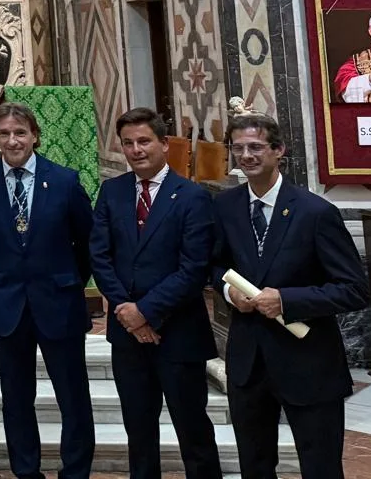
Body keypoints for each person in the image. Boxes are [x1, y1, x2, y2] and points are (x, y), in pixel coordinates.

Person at [213, 113, 370, 479]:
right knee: (255, 466)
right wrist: (226, 289)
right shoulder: (225, 207)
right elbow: (215, 263)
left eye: (255, 147)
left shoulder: (316, 213)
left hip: (307, 363)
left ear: (278, 149)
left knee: (321, 468)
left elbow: (353, 289)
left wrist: (286, 300)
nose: (246, 156)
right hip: (248, 363)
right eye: (238, 149)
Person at [88, 109, 220, 479]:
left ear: (164, 144)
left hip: (178, 332)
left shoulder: (192, 196)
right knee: (139, 429)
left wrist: (145, 312)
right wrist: (128, 313)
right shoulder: (112, 191)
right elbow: (99, 255)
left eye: (144, 141)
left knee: (192, 427)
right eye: (128, 143)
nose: (136, 150)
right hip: (128, 336)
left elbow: (194, 268)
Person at [0, 101, 96, 479]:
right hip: (9, 304)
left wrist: (65, 278)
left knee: (73, 397)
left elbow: (86, 243)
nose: (13, 141)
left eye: (20, 133)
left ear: (35, 136)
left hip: (59, 301)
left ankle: (75, 472)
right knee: (16, 399)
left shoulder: (64, 181)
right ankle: (27, 471)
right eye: (5, 133)